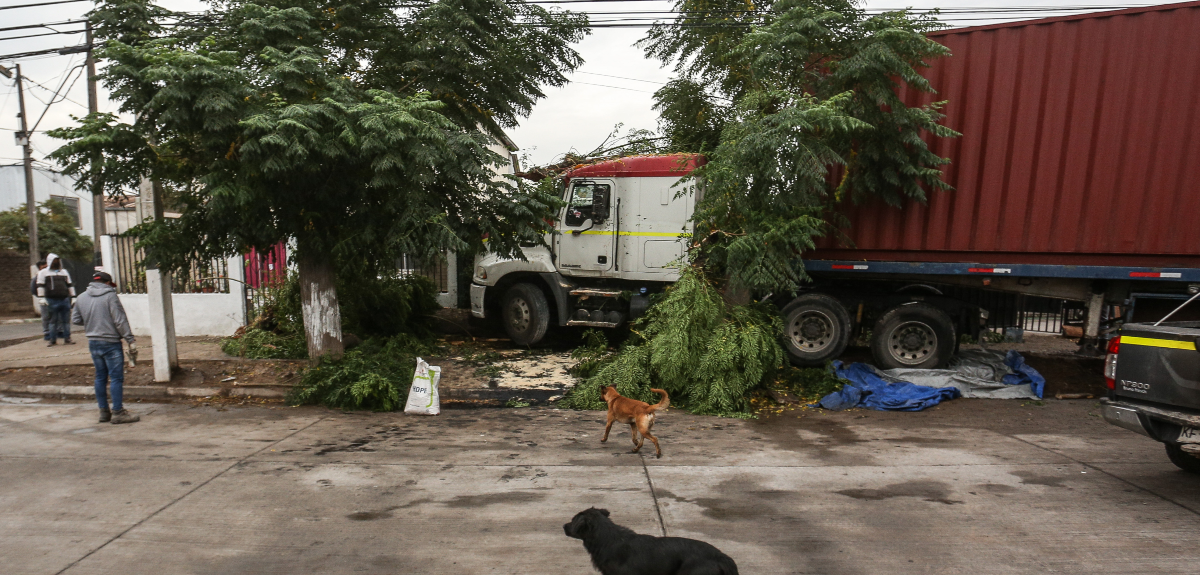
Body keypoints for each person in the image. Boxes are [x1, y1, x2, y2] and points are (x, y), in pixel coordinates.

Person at [72, 271, 140, 424]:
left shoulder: (81, 297)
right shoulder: (110, 296)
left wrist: (93, 323)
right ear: (107, 283)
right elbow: (119, 321)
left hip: (93, 342)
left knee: (100, 377)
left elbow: (76, 319)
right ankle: (118, 412)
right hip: (110, 343)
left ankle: (104, 412)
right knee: (116, 378)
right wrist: (130, 339)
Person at [36, 253, 75, 346]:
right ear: (50, 262)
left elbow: (70, 285)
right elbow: (40, 285)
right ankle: (52, 339)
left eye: (57, 261)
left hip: (64, 299)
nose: (56, 263)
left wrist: (73, 296)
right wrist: (41, 298)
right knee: (53, 321)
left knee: (66, 321)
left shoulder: (64, 272)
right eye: (54, 261)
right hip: (51, 300)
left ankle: (67, 338)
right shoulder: (43, 273)